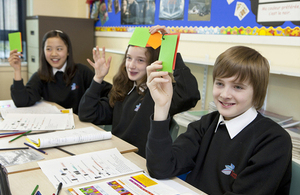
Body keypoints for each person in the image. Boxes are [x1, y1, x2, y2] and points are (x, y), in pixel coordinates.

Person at [146, 46, 292, 194]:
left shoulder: (274, 140)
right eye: (220, 83)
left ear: (257, 92)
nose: (225, 94)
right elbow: (160, 168)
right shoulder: (207, 124)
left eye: (238, 87)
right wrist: (161, 106)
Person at [78, 25, 200, 157]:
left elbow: (190, 93)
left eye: (140, 60)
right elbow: (87, 113)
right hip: (116, 155)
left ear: (155, 63)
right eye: (129, 58)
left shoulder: (161, 93)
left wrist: (170, 48)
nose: (131, 65)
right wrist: (98, 78)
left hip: (141, 161)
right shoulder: (123, 89)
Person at [9, 30, 111, 114]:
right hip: (53, 126)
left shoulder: (81, 71)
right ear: (43, 51)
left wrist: (99, 77)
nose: (54, 54)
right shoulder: (40, 76)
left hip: (80, 125)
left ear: (68, 51)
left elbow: (108, 92)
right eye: (49, 49)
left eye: (59, 49)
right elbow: (22, 101)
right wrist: (17, 70)